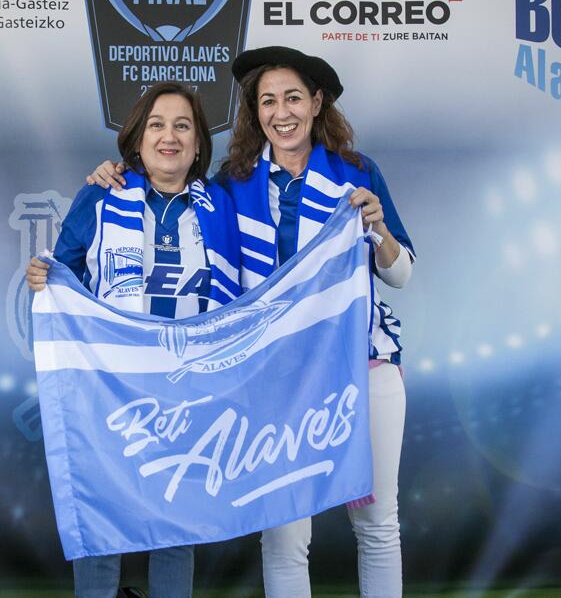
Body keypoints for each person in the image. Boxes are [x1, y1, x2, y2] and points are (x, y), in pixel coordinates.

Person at [86, 46, 415, 598]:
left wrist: (379, 232)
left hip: (363, 365)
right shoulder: (232, 184)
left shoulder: (357, 172)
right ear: (254, 112)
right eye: (267, 101)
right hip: (275, 379)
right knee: (285, 538)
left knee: (377, 524)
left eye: (292, 98)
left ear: (316, 103)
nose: (281, 113)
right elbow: (167, 185)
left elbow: (401, 274)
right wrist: (114, 174)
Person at [26, 81, 243, 598]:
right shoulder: (102, 196)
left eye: (183, 126)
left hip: (189, 387)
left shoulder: (224, 206)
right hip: (110, 387)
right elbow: (66, 279)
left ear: (197, 145)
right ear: (138, 139)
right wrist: (45, 278)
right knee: (103, 518)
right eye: (157, 125)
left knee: (175, 525)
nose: (169, 136)